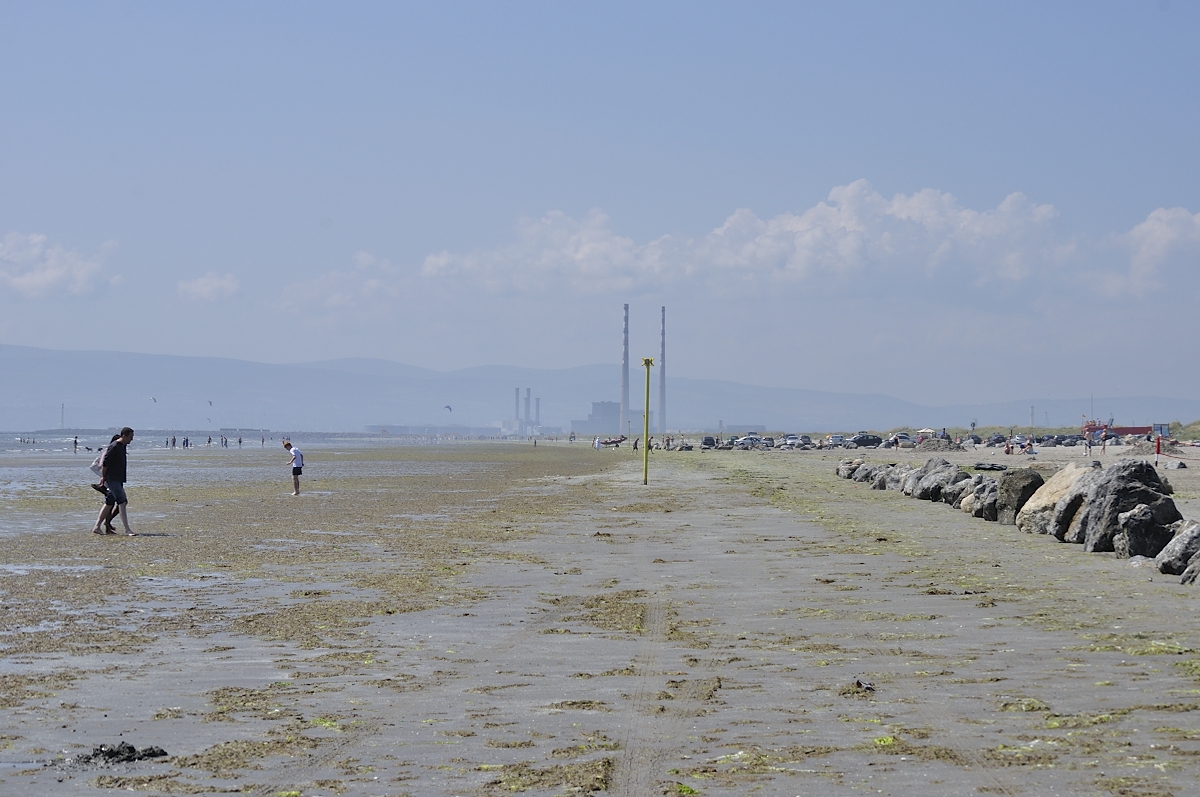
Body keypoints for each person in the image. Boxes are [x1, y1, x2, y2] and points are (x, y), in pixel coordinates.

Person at [92, 427, 135, 536]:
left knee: (109, 502)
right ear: (124, 436)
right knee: (122, 502)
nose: (132, 439)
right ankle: (127, 530)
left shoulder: (122, 446)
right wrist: (103, 477)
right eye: (130, 437)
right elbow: (106, 463)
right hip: (112, 479)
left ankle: (96, 527)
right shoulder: (114, 446)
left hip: (118, 478)